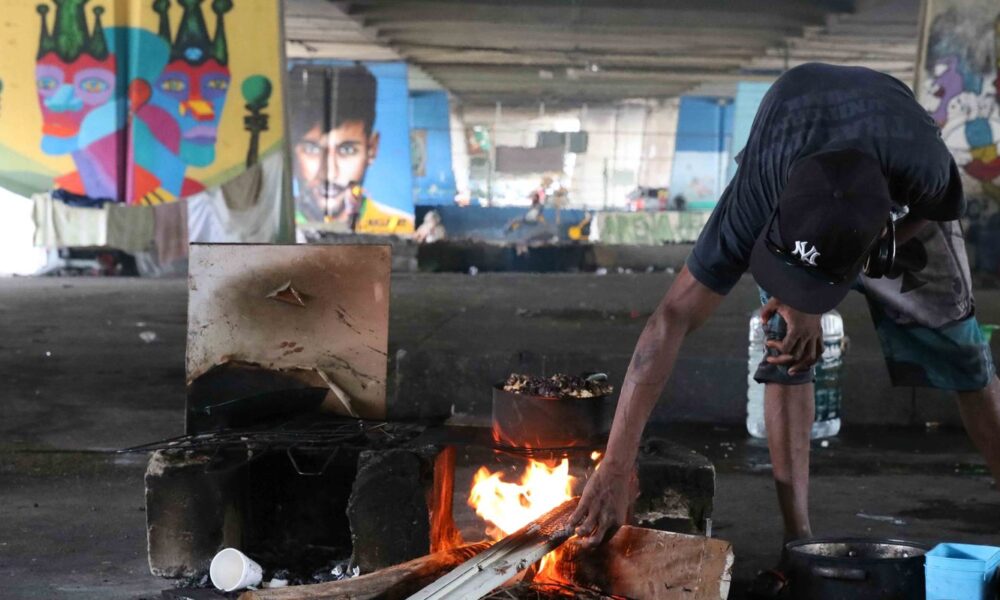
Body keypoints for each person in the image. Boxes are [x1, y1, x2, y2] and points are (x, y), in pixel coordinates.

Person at [569, 63, 1000, 596]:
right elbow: (670, 318)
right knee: (785, 343)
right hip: (796, 142)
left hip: (893, 195)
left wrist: (860, 263)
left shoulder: (924, 165)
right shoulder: (755, 198)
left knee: (965, 360)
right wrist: (615, 465)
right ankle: (798, 542)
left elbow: (938, 208)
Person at [289, 64, 414, 235]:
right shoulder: (269, 227)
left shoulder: (400, 228)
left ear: (372, 148)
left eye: (347, 150)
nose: (330, 173)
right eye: (312, 149)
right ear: (290, 150)